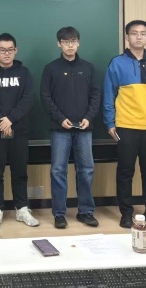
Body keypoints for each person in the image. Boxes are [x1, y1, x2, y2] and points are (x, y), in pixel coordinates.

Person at [103, 20, 146, 229]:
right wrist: (109, 122)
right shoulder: (117, 63)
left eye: (143, 33)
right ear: (127, 37)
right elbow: (108, 94)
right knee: (125, 171)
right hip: (126, 125)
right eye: (134, 33)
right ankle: (126, 213)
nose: (138, 37)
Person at [40, 27, 101, 229]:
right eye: (66, 42)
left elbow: (96, 95)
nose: (70, 45)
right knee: (58, 170)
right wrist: (60, 119)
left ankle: (86, 212)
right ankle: (59, 214)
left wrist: (89, 118)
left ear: (78, 43)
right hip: (60, 129)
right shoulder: (51, 68)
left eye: (73, 41)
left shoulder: (88, 68)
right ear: (59, 44)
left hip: (84, 127)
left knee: (86, 170)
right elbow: (45, 97)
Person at [0, 33, 38, 230]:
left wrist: (11, 119)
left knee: (20, 170)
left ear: (16, 50)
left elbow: (28, 99)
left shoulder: (24, 72)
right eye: (2, 50)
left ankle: (22, 208)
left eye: (10, 49)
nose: (6, 53)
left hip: (19, 130)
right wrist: (1, 121)